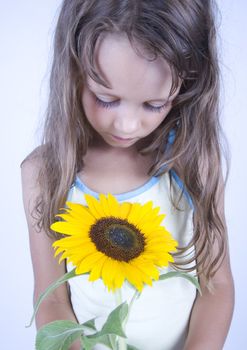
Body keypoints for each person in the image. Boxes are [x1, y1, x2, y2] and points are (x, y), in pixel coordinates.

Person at [21, 0, 235, 349]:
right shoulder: (45, 173)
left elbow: (217, 286)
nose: (127, 124)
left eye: (154, 105)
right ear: (73, 70)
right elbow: (52, 299)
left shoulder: (191, 162)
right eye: (106, 98)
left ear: (187, 85)